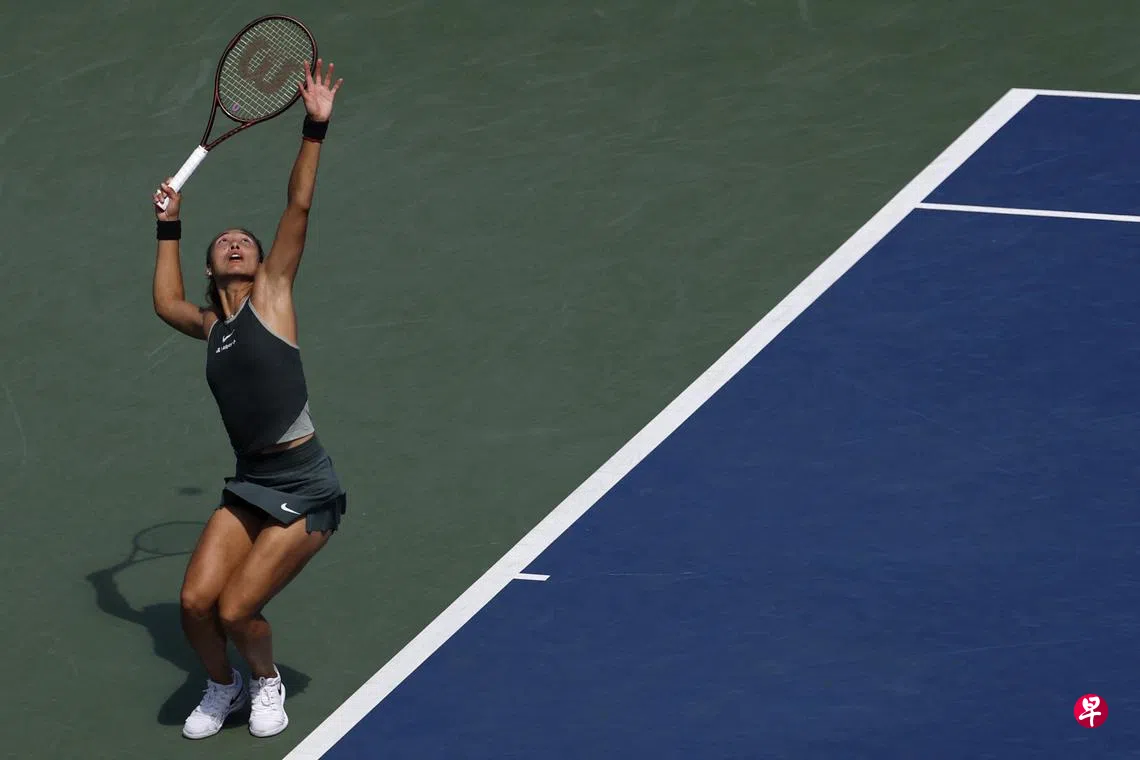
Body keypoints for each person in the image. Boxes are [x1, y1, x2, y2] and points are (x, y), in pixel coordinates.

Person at [150, 59, 345, 741]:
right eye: (223, 243)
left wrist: (314, 129)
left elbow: (298, 207)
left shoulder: (273, 297)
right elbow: (166, 303)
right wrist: (169, 225)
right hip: (251, 481)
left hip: (305, 485)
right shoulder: (211, 326)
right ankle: (223, 684)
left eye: (246, 242)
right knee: (193, 603)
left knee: (237, 610)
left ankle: (265, 681)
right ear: (211, 267)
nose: (235, 242)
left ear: (263, 264)